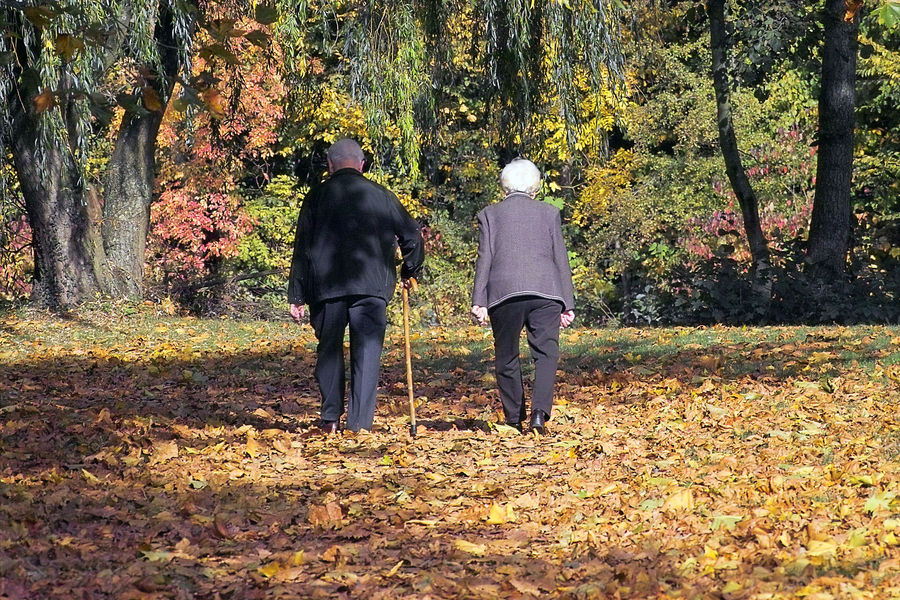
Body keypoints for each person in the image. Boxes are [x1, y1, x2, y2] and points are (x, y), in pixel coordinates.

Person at [289, 139, 424, 433]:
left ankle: (330, 419)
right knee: (367, 353)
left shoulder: (315, 197)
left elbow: (302, 249)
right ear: (362, 165)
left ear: (330, 164)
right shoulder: (383, 196)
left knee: (329, 351)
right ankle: (360, 424)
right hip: (372, 288)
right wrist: (409, 271)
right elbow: (413, 237)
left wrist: (296, 295)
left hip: (327, 290)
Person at [471, 158, 575, 435]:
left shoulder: (489, 215)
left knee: (506, 355)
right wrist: (567, 302)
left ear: (503, 186)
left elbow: (485, 259)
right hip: (546, 291)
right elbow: (560, 259)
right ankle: (539, 413)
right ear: (535, 187)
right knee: (546, 353)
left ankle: (514, 417)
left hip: (505, 293)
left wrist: (478, 300)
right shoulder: (549, 213)